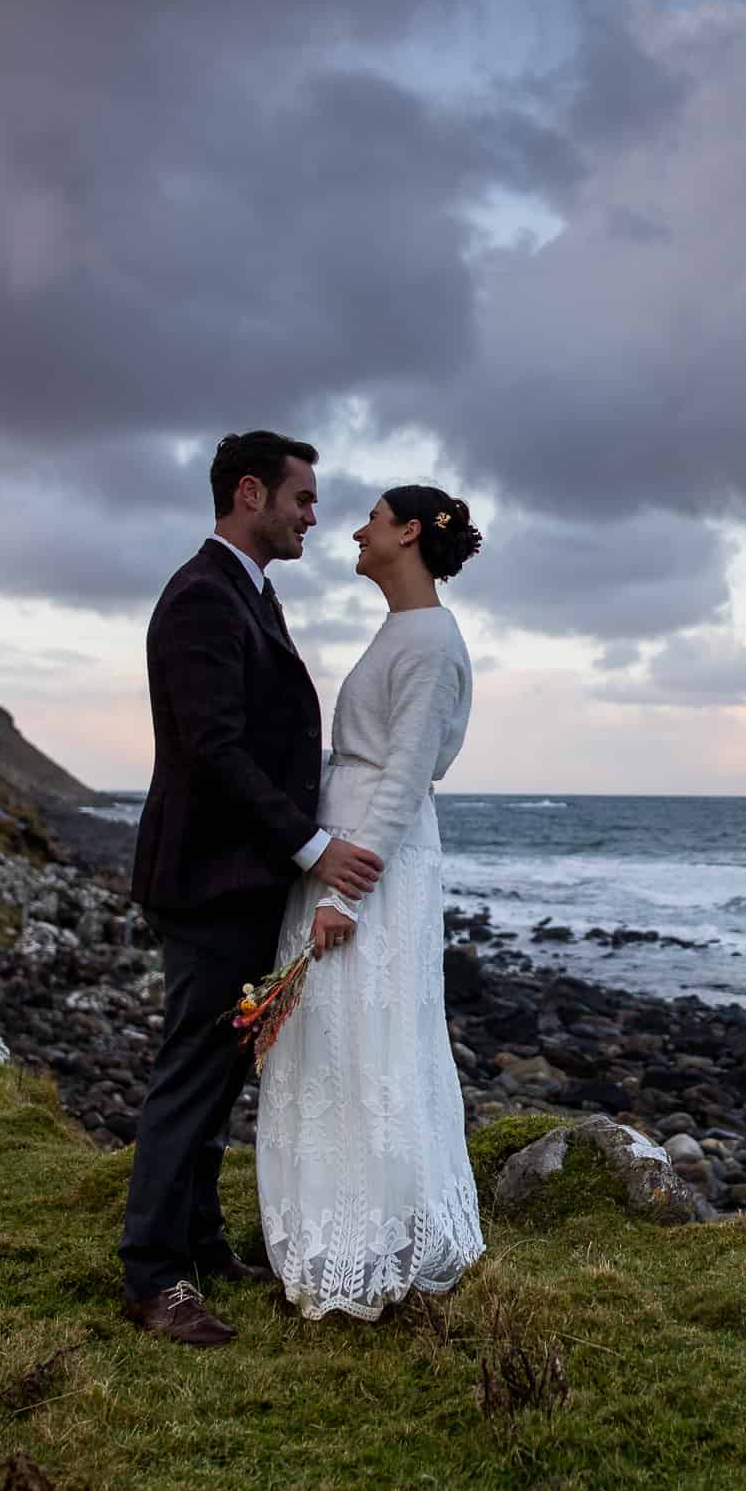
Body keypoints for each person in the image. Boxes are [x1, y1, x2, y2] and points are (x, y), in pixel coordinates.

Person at [120, 430, 385, 1346]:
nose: (315, 515)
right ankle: (154, 1277)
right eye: (302, 497)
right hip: (207, 880)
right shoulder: (202, 597)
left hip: (236, 878)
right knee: (189, 1078)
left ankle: (196, 1241)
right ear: (248, 493)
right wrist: (314, 847)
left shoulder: (247, 595)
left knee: (219, 1073)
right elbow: (215, 750)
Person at [253, 483, 485, 1319]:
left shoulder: (428, 641)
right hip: (350, 846)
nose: (355, 529)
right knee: (338, 1044)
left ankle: (369, 1243)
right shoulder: (405, 630)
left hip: (369, 865)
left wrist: (347, 895)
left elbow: (406, 772)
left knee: (366, 1046)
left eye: (374, 519)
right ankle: (341, 1232)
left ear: (410, 533)